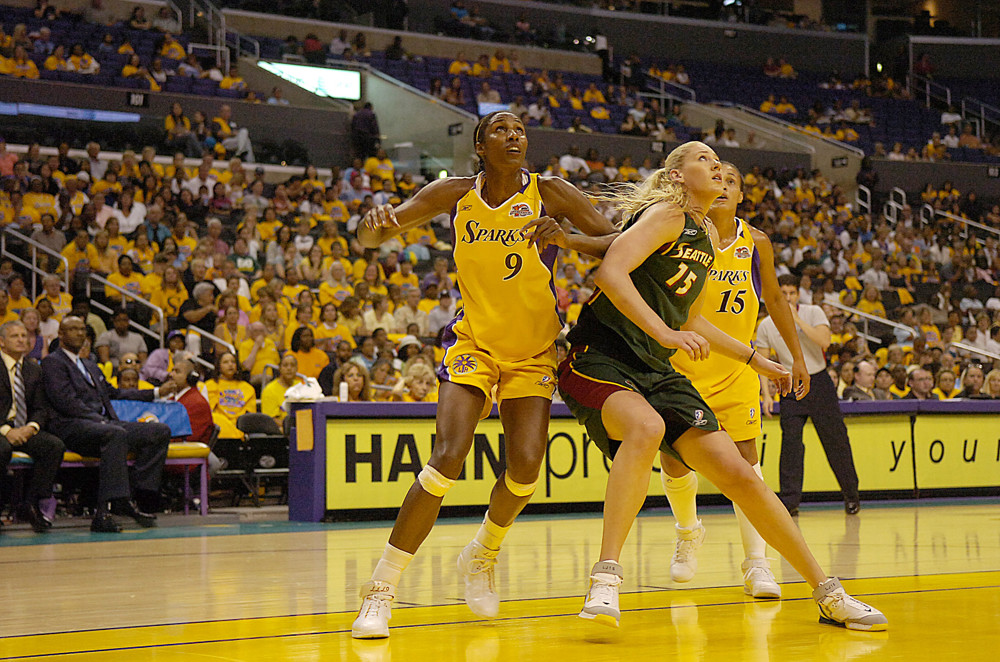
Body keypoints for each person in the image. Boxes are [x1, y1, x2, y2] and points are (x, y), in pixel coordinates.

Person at [557, 141, 885, 632]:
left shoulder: (707, 234)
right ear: (676, 176)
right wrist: (667, 334)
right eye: (703, 159)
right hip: (600, 357)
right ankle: (606, 577)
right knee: (645, 429)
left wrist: (757, 360)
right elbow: (611, 271)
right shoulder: (668, 213)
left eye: (718, 160)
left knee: (741, 472)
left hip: (655, 370)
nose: (716, 166)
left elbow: (693, 316)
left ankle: (826, 591)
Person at [351, 111, 616, 639]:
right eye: (500, 129)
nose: (513, 135)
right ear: (479, 145)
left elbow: (615, 242)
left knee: (525, 471)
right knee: (446, 459)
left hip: (534, 352)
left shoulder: (552, 193)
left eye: (519, 129)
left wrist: (566, 241)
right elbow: (371, 240)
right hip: (473, 342)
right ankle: (379, 592)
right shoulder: (454, 192)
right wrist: (372, 223)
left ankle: (482, 553)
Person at [662, 162, 810, 599]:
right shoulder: (682, 231)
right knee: (673, 461)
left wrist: (795, 356)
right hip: (683, 365)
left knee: (747, 468)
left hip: (737, 369)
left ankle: (757, 564)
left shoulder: (756, 241)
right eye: (717, 178)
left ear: (742, 195)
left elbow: (777, 301)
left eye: (732, 181)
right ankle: (688, 531)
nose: (722, 185)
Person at [41, 317, 175, 533]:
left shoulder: (90, 365)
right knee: (115, 433)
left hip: (105, 426)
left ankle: (135, 495)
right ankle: (103, 513)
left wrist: (157, 392)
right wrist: (101, 420)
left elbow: (115, 393)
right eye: (72, 329)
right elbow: (65, 401)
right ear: (61, 335)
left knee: (159, 431)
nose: (79, 333)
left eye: (82, 329)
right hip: (71, 427)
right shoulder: (53, 362)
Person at [756, 274, 861, 516]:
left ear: (798, 295)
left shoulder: (813, 312)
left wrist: (796, 320)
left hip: (819, 382)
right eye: (783, 293)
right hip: (791, 386)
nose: (788, 297)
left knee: (836, 441)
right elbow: (762, 362)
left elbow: (824, 341)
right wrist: (766, 395)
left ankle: (851, 496)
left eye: (792, 293)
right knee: (791, 443)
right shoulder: (766, 324)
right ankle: (790, 502)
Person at [0, 321, 65, 533]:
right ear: (2, 342)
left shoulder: (33, 369)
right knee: (2, 448)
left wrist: (32, 427)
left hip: (25, 428)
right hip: (2, 428)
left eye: (24, 335)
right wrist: (7, 431)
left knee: (53, 445)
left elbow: (41, 407)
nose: (21, 339)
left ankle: (32, 503)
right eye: (14, 336)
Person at [206, 351, 255, 439]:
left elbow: (249, 415)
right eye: (226, 362)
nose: (230, 365)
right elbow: (210, 412)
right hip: (220, 429)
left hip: (241, 428)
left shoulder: (247, 388)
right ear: (219, 367)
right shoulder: (210, 385)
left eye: (233, 362)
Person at [164, 358, 213, 445]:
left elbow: (188, 438)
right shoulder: (173, 399)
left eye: (177, 372)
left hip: (189, 455)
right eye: (172, 371)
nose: (171, 375)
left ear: (191, 378)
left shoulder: (197, 403)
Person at [261, 354, 302, 425]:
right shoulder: (269, 390)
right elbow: (271, 419)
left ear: (297, 368)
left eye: (292, 365)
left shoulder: (302, 386)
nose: (289, 368)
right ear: (279, 368)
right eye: (285, 365)